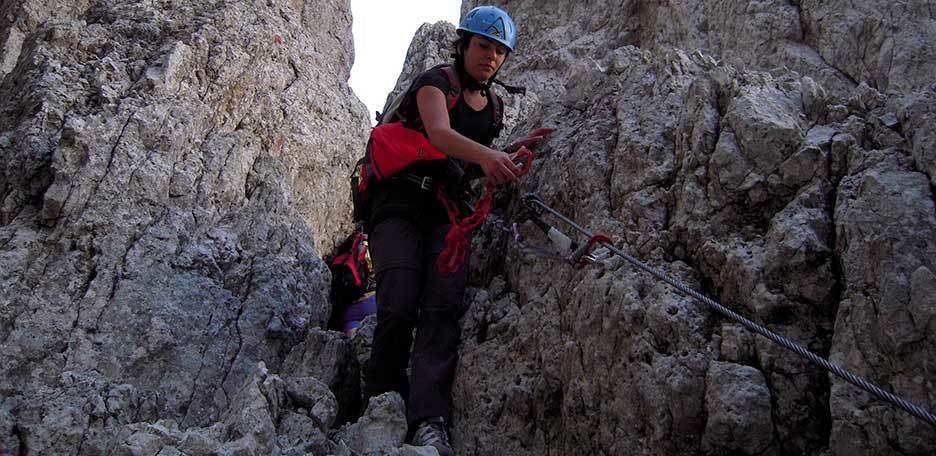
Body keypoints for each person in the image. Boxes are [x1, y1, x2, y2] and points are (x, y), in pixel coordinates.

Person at [362, 5, 551, 455]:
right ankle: (381, 401)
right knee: (400, 300)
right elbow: (440, 134)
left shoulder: (494, 109)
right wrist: (489, 156)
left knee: (443, 306)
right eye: (484, 46)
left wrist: (505, 151)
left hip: (445, 210)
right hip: (399, 206)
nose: (491, 57)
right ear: (464, 44)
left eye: (500, 51)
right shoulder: (436, 83)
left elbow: (464, 166)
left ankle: (429, 418)